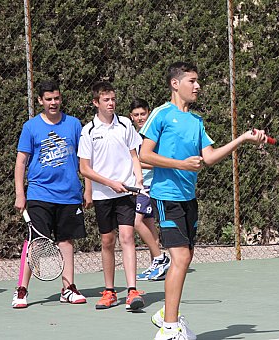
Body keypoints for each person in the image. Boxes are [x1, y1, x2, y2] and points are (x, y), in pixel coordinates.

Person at [139, 62, 266, 340]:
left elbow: (208, 158)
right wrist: (181, 165)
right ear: (175, 84)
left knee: (185, 259)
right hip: (166, 197)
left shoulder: (196, 121)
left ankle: (166, 314)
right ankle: (170, 328)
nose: (197, 86)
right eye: (192, 81)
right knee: (181, 257)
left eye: (198, 81)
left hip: (188, 198)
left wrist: (242, 138)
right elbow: (144, 156)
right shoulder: (161, 115)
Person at [12, 80, 87, 309]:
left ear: (60, 98)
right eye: (48, 99)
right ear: (40, 101)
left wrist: (88, 189)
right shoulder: (31, 127)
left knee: (66, 241)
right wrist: (19, 193)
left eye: (56, 98)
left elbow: (84, 159)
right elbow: (21, 161)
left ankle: (68, 288)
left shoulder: (74, 124)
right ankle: (22, 290)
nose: (53, 103)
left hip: (69, 194)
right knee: (35, 242)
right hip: (39, 193)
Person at [78, 81, 145, 311]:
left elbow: (134, 155)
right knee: (107, 241)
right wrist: (109, 184)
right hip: (102, 195)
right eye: (106, 100)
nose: (111, 103)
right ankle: (109, 291)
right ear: (96, 102)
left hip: (126, 193)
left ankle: (132, 290)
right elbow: (85, 168)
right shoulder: (88, 131)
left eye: (113, 99)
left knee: (127, 236)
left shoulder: (126, 124)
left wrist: (139, 179)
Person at [129, 99, 170, 282]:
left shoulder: (152, 137)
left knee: (136, 222)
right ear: (131, 116)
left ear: (149, 114)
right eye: (136, 115)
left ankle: (161, 258)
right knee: (150, 223)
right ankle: (156, 263)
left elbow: (155, 161)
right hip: (140, 185)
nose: (140, 118)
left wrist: (134, 162)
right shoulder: (136, 135)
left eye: (143, 114)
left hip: (149, 186)